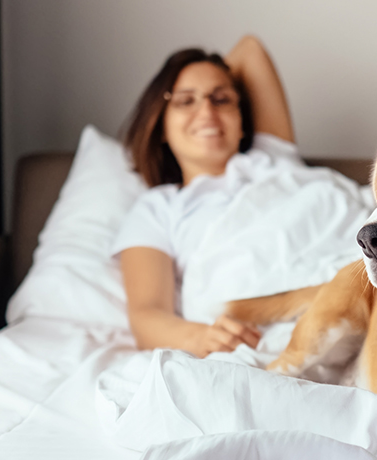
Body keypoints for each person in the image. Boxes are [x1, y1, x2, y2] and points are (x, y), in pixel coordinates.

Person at [114, 36, 294, 358]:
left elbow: (250, 49)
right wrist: (202, 338)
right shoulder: (158, 208)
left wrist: (205, 76)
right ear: (162, 126)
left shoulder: (273, 158)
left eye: (221, 99)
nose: (207, 110)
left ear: (242, 122)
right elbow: (146, 315)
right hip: (263, 330)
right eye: (185, 102)